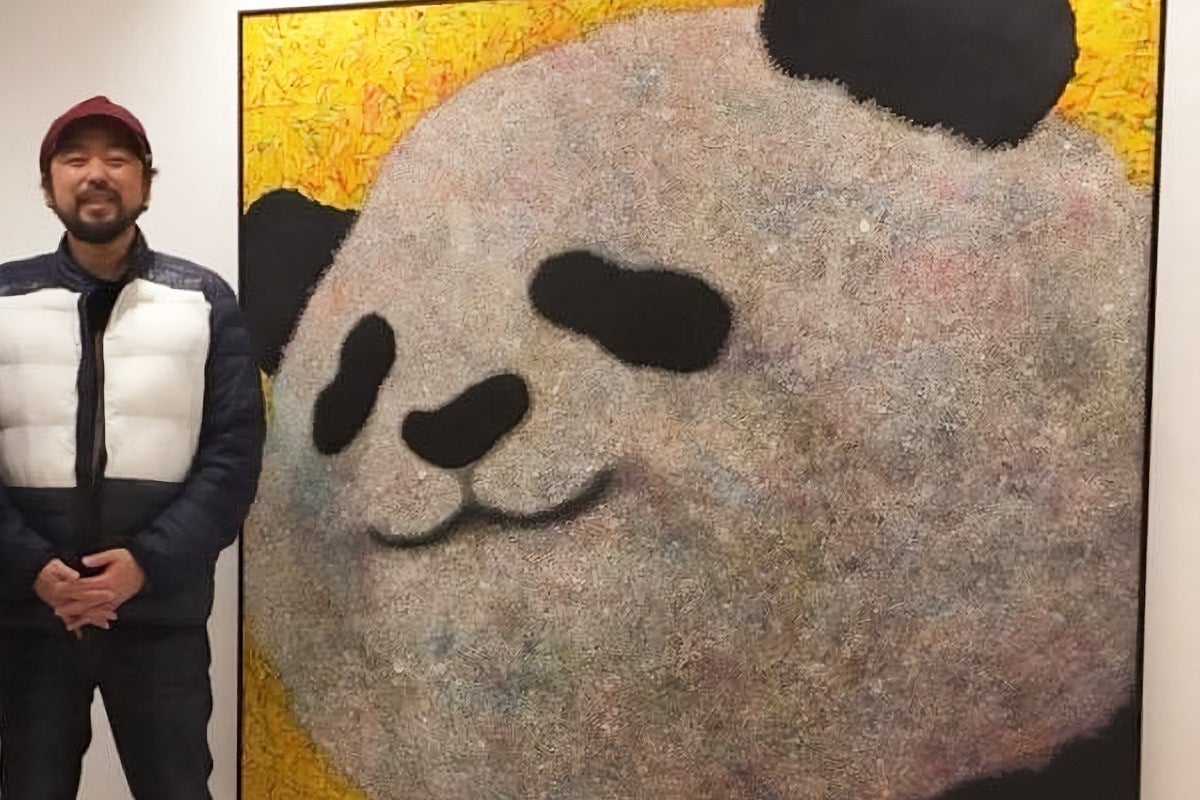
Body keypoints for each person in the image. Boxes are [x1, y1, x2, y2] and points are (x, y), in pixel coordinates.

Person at [0, 96, 263, 799]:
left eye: (117, 159)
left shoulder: (202, 299)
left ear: (146, 182)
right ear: (48, 184)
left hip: (159, 619)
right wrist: (34, 568)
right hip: (27, 620)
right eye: (75, 159)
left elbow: (234, 456)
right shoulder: (3, 298)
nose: (97, 173)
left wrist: (145, 564)